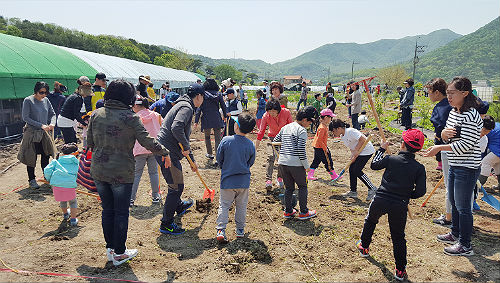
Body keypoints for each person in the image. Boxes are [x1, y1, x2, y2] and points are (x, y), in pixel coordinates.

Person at [87, 79, 170, 266]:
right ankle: (120, 253)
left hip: (99, 170)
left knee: (107, 210)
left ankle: (110, 250)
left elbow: (89, 143)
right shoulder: (131, 117)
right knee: (121, 212)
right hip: (121, 172)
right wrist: (165, 152)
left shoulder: (96, 114)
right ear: (129, 97)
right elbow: (148, 141)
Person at [356, 129, 426, 281]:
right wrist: (407, 195)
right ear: (419, 149)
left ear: (402, 145)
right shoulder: (419, 168)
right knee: (398, 236)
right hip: (400, 204)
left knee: (370, 221)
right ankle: (400, 270)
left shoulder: (391, 159)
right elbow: (421, 191)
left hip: (381, 198)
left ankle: (364, 247)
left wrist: (381, 148)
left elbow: (374, 165)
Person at [424, 76, 483, 256]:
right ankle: (455, 232)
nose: (448, 97)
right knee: (455, 202)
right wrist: (443, 134)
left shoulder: (471, 115)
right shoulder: (453, 112)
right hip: (455, 162)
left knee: (464, 207)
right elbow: (448, 136)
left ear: (465, 93)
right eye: (447, 93)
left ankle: (465, 245)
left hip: (467, 166)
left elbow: (467, 144)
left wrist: (440, 147)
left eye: (452, 93)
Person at [156, 84, 205, 235]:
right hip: (166, 153)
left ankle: (178, 206)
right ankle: (167, 223)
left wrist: (192, 158)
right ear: (198, 96)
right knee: (176, 187)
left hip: (165, 149)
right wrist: (185, 147)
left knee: (175, 183)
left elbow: (180, 134)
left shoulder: (181, 104)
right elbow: (176, 128)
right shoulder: (187, 108)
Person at [215, 113, 256, 242]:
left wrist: (225, 167)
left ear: (236, 126)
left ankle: (221, 229)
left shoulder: (226, 140)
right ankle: (240, 230)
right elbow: (251, 162)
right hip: (243, 182)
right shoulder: (250, 144)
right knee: (241, 206)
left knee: (224, 205)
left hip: (227, 180)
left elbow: (219, 158)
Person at [274, 106, 317, 220]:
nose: (309, 124)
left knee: (289, 188)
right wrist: (307, 166)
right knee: (303, 186)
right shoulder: (302, 131)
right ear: (304, 120)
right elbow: (300, 150)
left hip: (283, 163)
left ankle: (288, 211)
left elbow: (275, 142)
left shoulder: (286, 127)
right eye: (309, 121)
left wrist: (281, 154)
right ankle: (303, 212)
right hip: (296, 164)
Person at [17, 81, 56, 189]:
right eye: (41, 92)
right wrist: (41, 125)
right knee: (31, 156)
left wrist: (52, 123)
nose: (43, 95)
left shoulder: (46, 100)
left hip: (43, 133)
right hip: (32, 133)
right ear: (36, 91)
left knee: (46, 154)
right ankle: (32, 180)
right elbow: (26, 118)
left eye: (45, 93)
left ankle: (47, 176)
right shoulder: (28, 101)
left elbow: (53, 114)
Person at [330, 118, 378, 201]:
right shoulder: (342, 137)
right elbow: (351, 146)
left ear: (338, 128)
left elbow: (363, 139)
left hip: (366, 150)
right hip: (359, 152)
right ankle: (353, 191)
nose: (333, 134)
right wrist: (353, 154)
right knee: (352, 169)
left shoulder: (350, 131)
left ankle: (372, 188)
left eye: (333, 131)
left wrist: (356, 150)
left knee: (357, 170)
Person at [130, 95, 163, 206]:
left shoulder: (134, 117)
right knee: (153, 173)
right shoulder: (156, 115)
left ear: (135, 105)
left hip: (139, 149)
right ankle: (155, 196)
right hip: (154, 148)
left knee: (136, 174)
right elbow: (162, 128)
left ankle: (131, 198)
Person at [256, 99, 293, 191]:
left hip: (284, 137)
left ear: (278, 110)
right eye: (270, 111)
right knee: (270, 157)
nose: (272, 113)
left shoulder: (286, 113)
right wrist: (255, 147)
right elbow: (261, 131)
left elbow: (291, 127)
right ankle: (268, 180)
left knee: (282, 159)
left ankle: (279, 178)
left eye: (274, 111)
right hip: (271, 138)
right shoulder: (265, 116)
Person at [43, 143, 80, 226]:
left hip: (57, 185)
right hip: (70, 185)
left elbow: (47, 170)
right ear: (75, 154)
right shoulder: (76, 162)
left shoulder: (56, 161)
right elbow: (79, 173)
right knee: (73, 202)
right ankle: (73, 220)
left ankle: (66, 214)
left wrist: (49, 179)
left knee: (62, 200)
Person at [194, 78, 227, 161]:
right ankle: (218, 157)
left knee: (207, 137)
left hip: (206, 118)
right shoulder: (219, 94)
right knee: (218, 138)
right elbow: (223, 106)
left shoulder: (203, 95)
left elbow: (199, 109)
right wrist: (225, 116)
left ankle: (210, 154)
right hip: (216, 117)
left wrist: (196, 121)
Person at [57, 76, 93, 144]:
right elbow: (76, 114)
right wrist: (84, 124)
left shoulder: (75, 95)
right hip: (66, 122)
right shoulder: (78, 99)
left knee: (73, 142)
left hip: (65, 121)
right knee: (71, 143)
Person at [308, 109, 339, 181]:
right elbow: (319, 140)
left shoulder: (323, 126)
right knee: (328, 161)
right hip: (320, 147)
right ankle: (333, 175)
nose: (331, 119)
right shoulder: (322, 128)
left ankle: (310, 174)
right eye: (330, 117)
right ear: (326, 118)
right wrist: (325, 148)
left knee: (316, 161)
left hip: (317, 146)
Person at [477, 115, 500, 190]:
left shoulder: (486, 131)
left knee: (486, 162)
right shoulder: (495, 125)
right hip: (497, 149)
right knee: (497, 165)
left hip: (498, 150)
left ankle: (478, 186)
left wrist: (482, 159)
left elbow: (484, 148)